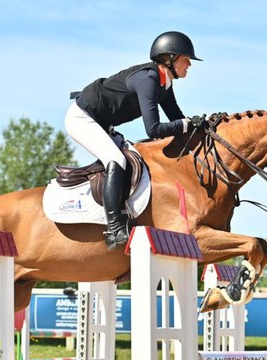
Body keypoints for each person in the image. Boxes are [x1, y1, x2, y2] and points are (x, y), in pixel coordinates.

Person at [65, 31, 203, 249]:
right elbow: (155, 129)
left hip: (101, 122)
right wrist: (186, 124)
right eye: (186, 59)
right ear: (170, 58)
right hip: (82, 117)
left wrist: (200, 127)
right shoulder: (149, 79)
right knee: (116, 159)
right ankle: (114, 228)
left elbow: (178, 120)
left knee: (133, 158)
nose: (189, 65)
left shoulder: (164, 84)